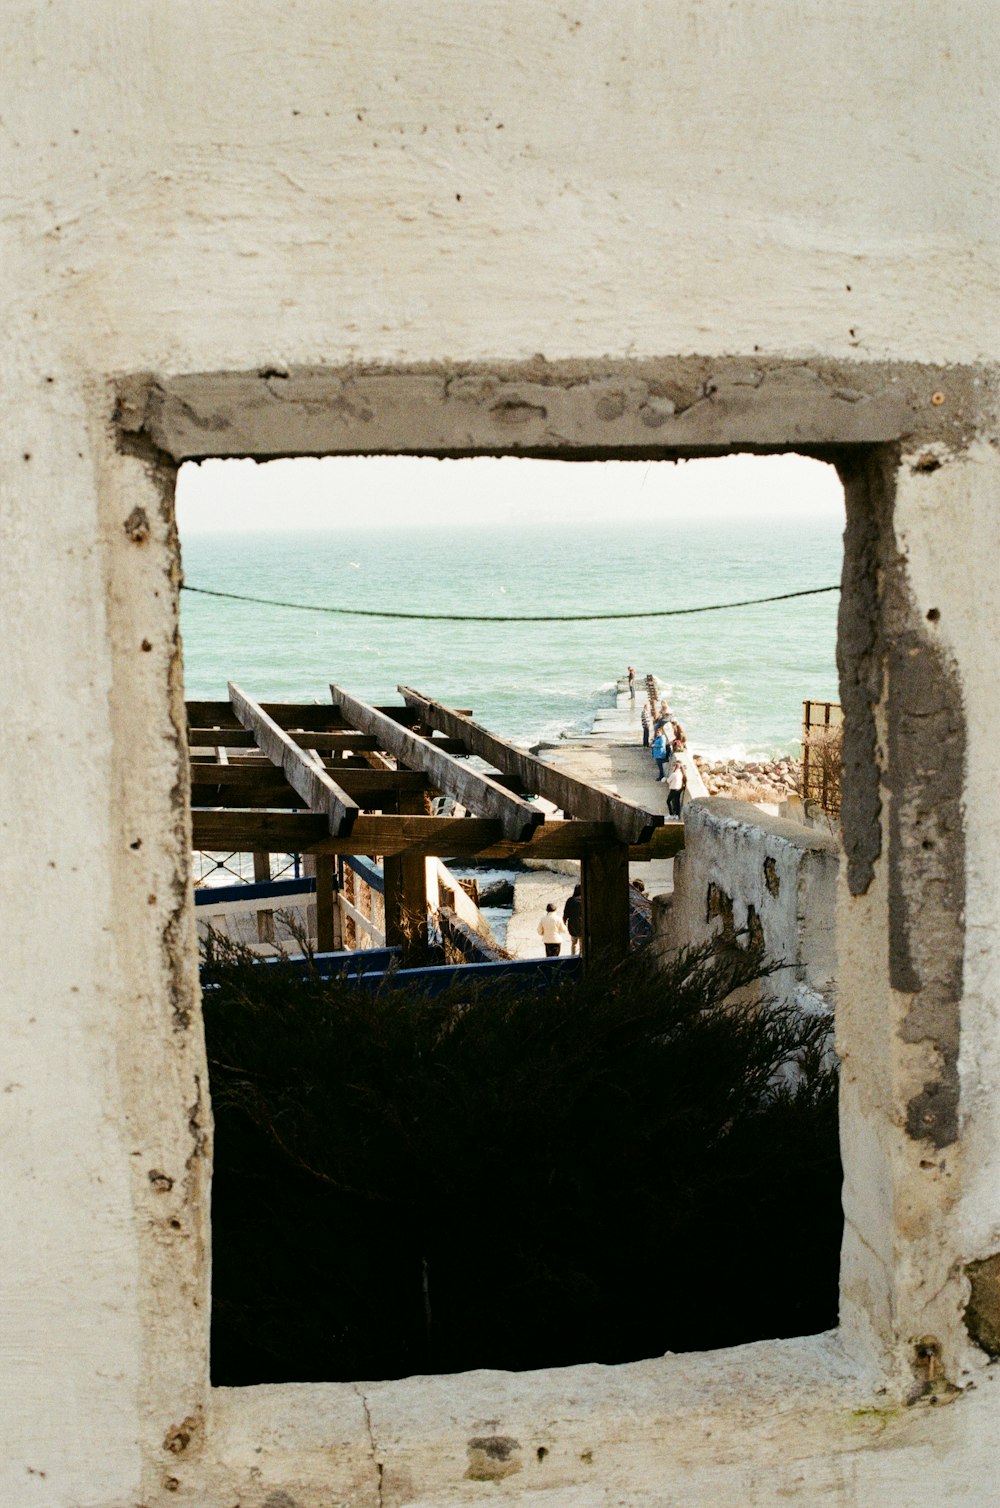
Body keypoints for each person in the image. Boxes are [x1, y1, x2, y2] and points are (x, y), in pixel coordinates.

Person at [562, 884, 582, 954]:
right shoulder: (584, 900)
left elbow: (565, 912)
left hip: (572, 925)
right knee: (582, 944)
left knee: (574, 943)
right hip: (582, 925)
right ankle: (581, 957)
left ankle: (573, 956)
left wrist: (564, 921)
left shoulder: (570, 900)